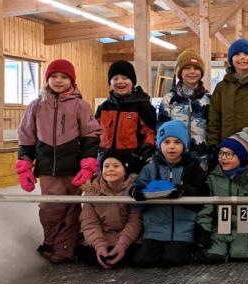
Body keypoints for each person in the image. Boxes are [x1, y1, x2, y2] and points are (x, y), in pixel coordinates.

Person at [16, 59, 101, 263]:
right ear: (47, 79)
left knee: (71, 207)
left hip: (73, 167)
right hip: (47, 168)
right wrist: (25, 166)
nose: (58, 80)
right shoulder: (36, 106)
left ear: (72, 81)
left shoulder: (80, 106)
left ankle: (65, 248)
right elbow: (26, 136)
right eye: (54, 76)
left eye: (64, 77)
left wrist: (88, 164)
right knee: (50, 208)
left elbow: (91, 135)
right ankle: (51, 241)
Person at [130, 120, 210, 268]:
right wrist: (136, 192)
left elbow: (202, 191)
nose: (171, 146)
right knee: (144, 261)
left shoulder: (192, 168)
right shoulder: (150, 168)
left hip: (182, 229)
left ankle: (189, 252)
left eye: (177, 142)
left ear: (184, 145)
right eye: (166, 142)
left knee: (173, 260)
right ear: (159, 145)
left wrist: (183, 190)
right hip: (155, 228)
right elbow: (138, 185)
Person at [195, 128, 248, 263]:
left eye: (229, 154)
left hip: (241, 228)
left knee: (241, 254)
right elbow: (207, 207)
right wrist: (204, 228)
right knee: (214, 255)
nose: (223, 158)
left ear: (240, 157)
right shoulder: (212, 178)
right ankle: (219, 247)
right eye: (221, 153)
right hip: (218, 227)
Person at [76, 150, 143, 268]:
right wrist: (99, 245)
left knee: (139, 256)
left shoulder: (133, 191)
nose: (110, 169)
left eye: (116, 166)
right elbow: (89, 222)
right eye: (106, 166)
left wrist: (122, 244)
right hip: (104, 236)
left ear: (125, 170)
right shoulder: (92, 191)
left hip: (128, 239)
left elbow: (135, 221)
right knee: (86, 254)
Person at [158, 48, 212, 170]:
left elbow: (214, 129)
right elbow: (160, 130)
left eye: (196, 68)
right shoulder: (169, 99)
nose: (192, 72)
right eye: (187, 68)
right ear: (180, 72)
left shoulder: (209, 99)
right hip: (174, 162)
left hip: (202, 162)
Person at [96, 60, 157, 167]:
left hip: (132, 162)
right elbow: (95, 133)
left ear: (132, 81)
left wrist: (146, 152)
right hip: (106, 162)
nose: (120, 81)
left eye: (125, 78)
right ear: (110, 82)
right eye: (115, 78)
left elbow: (149, 132)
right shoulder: (103, 108)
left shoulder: (143, 106)